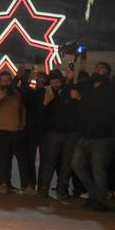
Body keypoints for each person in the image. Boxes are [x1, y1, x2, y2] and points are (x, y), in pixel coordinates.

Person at [70, 62, 115, 211]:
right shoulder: (88, 86)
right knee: (77, 164)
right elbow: (73, 91)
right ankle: (94, 194)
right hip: (86, 133)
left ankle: (102, 200)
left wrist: (81, 99)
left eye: (102, 68)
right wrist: (70, 78)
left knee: (98, 168)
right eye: (97, 68)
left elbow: (101, 107)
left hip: (102, 135)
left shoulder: (110, 89)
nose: (99, 70)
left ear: (108, 72)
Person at [0, 71, 29, 193]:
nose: (6, 83)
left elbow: (23, 109)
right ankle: (3, 184)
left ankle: (26, 185)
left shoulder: (16, 94)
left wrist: (23, 124)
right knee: (4, 159)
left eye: (8, 80)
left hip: (16, 131)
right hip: (1, 131)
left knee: (22, 159)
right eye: (3, 81)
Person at [37, 69, 78, 198]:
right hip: (54, 133)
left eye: (57, 81)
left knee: (66, 163)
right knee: (51, 162)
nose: (55, 84)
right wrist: (45, 102)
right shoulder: (47, 93)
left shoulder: (68, 92)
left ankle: (62, 190)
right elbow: (40, 116)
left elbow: (76, 108)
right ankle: (44, 190)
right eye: (53, 81)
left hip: (69, 133)